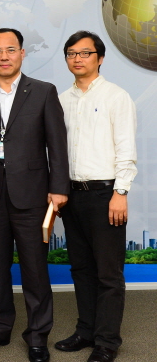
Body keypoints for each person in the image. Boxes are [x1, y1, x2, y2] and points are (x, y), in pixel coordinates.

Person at [0, 28, 69, 362]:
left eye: (10, 49)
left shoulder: (43, 91)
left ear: (22, 53)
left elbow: (57, 144)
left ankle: (37, 335)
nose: (4, 56)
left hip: (33, 195)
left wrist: (59, 187)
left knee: (35, 270)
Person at [55, 31, 137, 362]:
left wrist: (121, 192)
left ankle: (107, 341)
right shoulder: (61, 100)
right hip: (71, 195)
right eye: (71, 53)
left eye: (85, 53)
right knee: (81, 268)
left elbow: (126, 149)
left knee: (108, 273)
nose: (77, 59)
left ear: (100, 58)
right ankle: (85, 330)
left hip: (106, 194)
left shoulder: (117, 96)